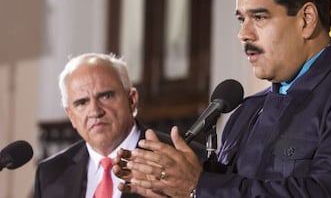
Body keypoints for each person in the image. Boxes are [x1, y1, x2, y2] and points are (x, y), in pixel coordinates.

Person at [113, 0, 331, 197]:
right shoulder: (247, 110)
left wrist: (198, 188)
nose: (244, 34)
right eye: (241, 19)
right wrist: (167, 185)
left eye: (259, 17)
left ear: (306, 20)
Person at [33, 53, 204, 198]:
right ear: (70, 115)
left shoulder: (185, 162)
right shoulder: (51, 173)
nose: (95, 111)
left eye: (106, 96)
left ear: (132, 100)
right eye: (82, 103)